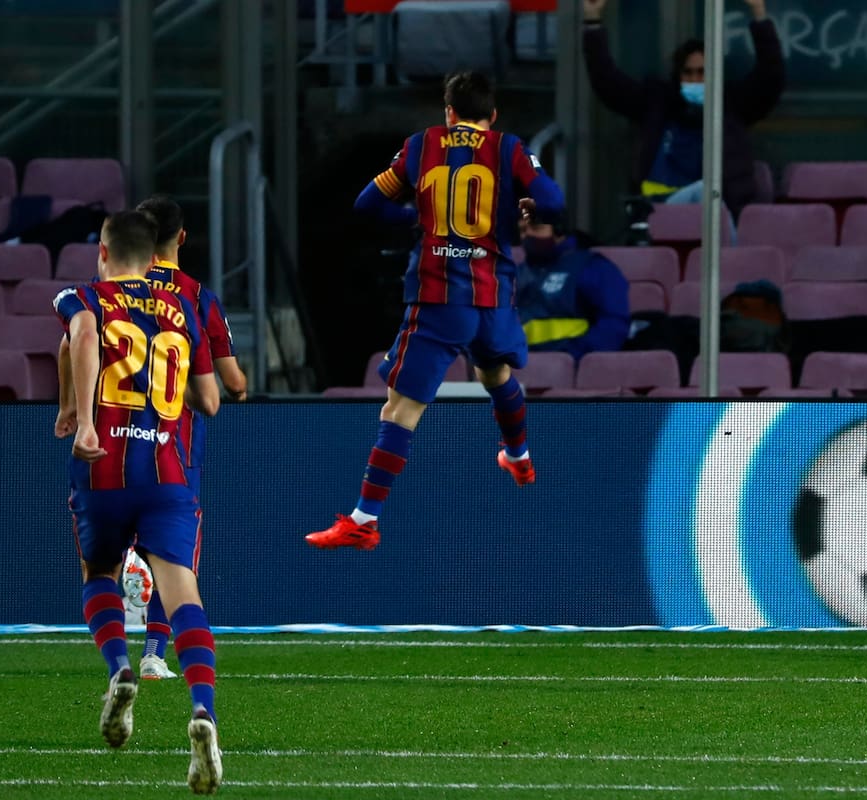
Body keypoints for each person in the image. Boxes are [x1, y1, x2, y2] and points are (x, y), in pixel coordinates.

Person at [304, 71, 565, 550]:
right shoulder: (509, 147)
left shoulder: (422, 144)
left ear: (447, 112)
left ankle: (364, 519)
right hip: (492, 293)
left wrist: (417, 218)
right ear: (492, 114)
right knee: (496, 373)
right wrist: (527, 210)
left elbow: (366, 205)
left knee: (400, 408)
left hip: (438, 295)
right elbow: (553, 200)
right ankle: (518, 453)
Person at [53, 210, 224, 794]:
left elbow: (75, 336)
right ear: (154, 257)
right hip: (168, 474)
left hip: (103, 469)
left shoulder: (84, 296)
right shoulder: (182, 308)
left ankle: (120, 669)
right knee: (184, 594)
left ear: (103, 252)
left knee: (98, 571)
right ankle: (203, 711)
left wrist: (73, 415)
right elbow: (210, 399)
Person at [131, 194, 247, 681]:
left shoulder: (110, 293)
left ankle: (128, 561)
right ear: (182, 237)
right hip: (173, 443)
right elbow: (232, 385)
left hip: (115, 435)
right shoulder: (197, 298)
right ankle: (155, 650)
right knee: (176, 547)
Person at [581, 0, 783, 218]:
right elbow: (608, 82)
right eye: (689, 72)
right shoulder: (657, 104)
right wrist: (593, 20)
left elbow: (771, 77)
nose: (696, 79)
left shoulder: (732, 106)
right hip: (659, 211)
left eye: (703, 72)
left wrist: (759, 13)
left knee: (705, 197)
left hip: (718, 218)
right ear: (678, 76)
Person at [516, 216, 630, 360]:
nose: (528, 235)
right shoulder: (517, 273)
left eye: (536, 228)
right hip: (519, 369)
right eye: (522, 230)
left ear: (559, 229)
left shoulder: (593, 267)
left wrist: (574, 358)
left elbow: (613, 325)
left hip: (572, 366)